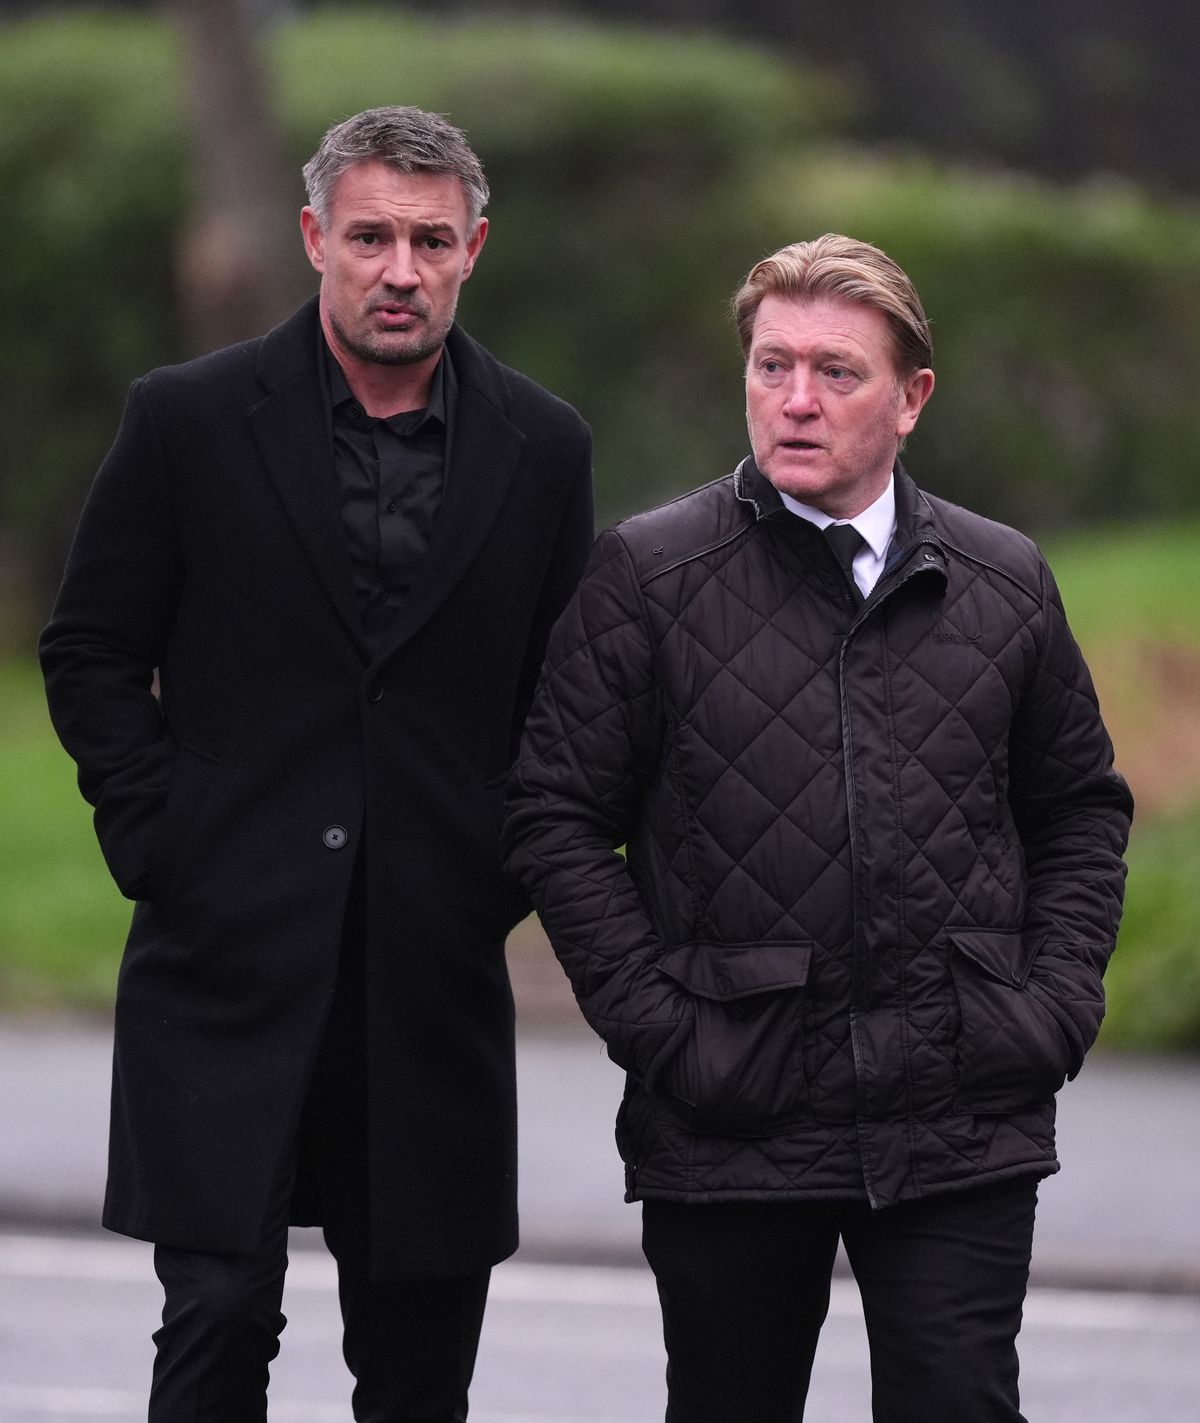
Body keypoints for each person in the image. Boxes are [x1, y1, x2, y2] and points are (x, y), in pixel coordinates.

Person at [503, 233, 1131, 1423]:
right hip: (733, 1106)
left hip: (963, 1107)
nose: (796, 400)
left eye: (836, 372)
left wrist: (1049, 1007)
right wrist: (665, 1030)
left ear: (911, 398)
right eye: (770, 366)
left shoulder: (1005, 582)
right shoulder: (649, 575)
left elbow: (1080, 809)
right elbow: (555, 814)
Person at [40, 106, 593, 1421]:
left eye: (428, 239)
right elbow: (91, 648)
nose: (398, 267)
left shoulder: (544, 446)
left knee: (418, 1367)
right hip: (223, 966)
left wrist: (491, 865)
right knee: (217, 1324)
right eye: (369, 237)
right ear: (313, 239)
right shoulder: (185, 420)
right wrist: (162, 837)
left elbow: (567, 699)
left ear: (473, 249)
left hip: (429, 983)